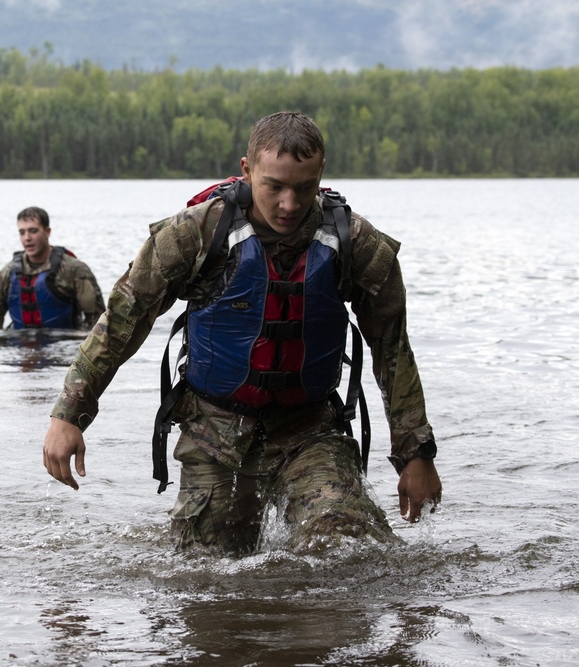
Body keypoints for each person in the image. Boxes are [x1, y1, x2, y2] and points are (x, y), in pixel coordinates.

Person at [42, 111, 442, 555]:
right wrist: (68, 415)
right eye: (274, 186)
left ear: (321, 175)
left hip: (310, 431)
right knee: (204, 574)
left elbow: (393, 349)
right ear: (247, 170)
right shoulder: (195, 234)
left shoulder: (355, 243)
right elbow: (121, 321)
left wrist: (416, 454)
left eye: (303, 188)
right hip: (214, 433)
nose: (289, 204)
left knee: (348, 544)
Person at [0, 206, 105, 330]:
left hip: (63, 346)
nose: (27, 238)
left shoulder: (74, 270)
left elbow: (99, 323)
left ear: (47, 232)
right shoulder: (7, 273)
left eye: (33, 231)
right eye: (22, 232)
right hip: (19, 347)